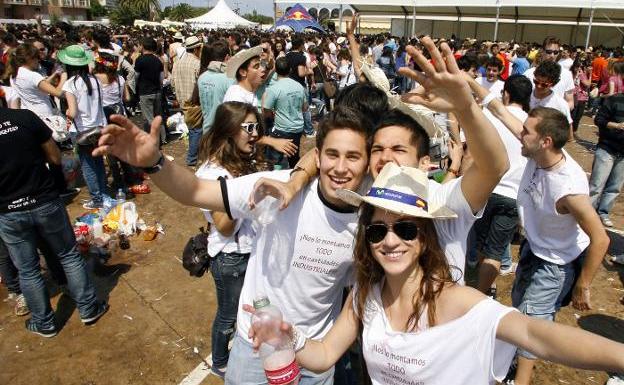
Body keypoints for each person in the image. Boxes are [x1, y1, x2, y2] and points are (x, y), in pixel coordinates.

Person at [246, 163, 624, 385]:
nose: (390, 241)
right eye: (377, 230)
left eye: (406, 229)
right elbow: (324, 354)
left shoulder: (457, 300)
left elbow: (536, 334)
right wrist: (290, 336)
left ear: (425, 238)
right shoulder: (367, 293)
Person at [0, 106, 108, 338]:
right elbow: (54, 155)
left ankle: (44, 322)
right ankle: (88, 308)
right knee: (68, 255)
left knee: (27, 270)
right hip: (44, 200)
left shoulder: (25, 117)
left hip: (9, 211)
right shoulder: (24, 117)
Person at [195, 102, 265, 379]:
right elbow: (224, 227)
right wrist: (245, 193)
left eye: (256, 127)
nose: (255, 134)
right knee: (228, 317)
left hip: (251, 251)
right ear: (229, 131)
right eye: (248, 128)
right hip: (230, 257)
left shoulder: (240, 163)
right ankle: (221, 361)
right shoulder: (213, 175)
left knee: (251, 310)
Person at [466, 74, 532, 296]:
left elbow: (473, 151)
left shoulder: (490, 116)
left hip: (487, 189)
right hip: (514, 194)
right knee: (496, 249)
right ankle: (486, 290)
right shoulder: (531, 124)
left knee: (483, 245)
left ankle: (484, 288)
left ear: (506, 93)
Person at [59, 45, 108, 210]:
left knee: (88, 167)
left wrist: (66, 112)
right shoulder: (95, 80)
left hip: (82, 131)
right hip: (99, 126)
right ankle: (103, 193)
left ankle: (97, 199)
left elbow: (72, 112)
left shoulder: (70, 84)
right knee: (99, 162)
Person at [94, 51, 147, 196]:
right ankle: (132, 179)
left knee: (110, 153)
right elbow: (127, 98)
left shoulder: (96, 79)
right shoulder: (119, 79)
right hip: (120, 116)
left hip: (105, 119)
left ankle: (119, 184)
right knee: (124, 150)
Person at [589, 63, 624, 228]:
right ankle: (587, 213)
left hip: (623, 154)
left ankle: (603, 213)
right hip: (607, 148)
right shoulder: (614, 100)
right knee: (597, 184)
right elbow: (599, 120)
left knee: (614, 187)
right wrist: (616, 126)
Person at [262, 57, 307, 169]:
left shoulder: (274, 88)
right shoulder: (299, 86)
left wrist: (273, 114)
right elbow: (305, 107)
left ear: (276, 71)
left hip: (281, 129)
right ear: (290, 70)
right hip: (297, 128)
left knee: (274, 159)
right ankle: (294, 174)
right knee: (293, 155)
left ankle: (276, 176)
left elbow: (266, 110)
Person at [171, 36, 202, 166]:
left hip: (183, 101)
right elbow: (200, 84)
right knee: (196, 130)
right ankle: (192, 158)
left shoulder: (177, 62)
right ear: (196, 49)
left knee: (192, 129)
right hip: (194, 103)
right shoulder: (197, 64)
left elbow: (172, 83)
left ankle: (194, 154)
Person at [523, 36, 575, 110]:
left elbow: (570, 102)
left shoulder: (567, 74)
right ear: (543, 51)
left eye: (555, 52)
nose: (552, 55)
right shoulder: (529, 73)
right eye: (549, 52)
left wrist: (557, 113)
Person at [134, 37, 166, 145]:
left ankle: (154, 140)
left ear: (142, 46)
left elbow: (136, 76)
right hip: (157, 91)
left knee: (149, 118)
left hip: (145, 92)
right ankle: (163, 138)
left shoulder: (140, 60)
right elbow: (162, 78)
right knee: (158, 116)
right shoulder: (158, 60)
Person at [529, 61, 573, 139]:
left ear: (554, 83)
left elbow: (569, 135)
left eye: (544, 84)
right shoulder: (525, 95)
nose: (539, 86)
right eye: (536, 81)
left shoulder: (560, 105)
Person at [197, 40, 233, 134]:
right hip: (223, 132)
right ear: (227, 57)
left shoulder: (202, 77)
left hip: (206, 129)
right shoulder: (229, 79)